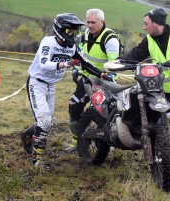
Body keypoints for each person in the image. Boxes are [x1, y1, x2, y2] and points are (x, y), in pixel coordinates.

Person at [115, 8, 170, 168]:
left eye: (146, 24)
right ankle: (157, 152)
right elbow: (137, 53)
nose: (144, 27)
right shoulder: (149, 40)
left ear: (156, 23)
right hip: (161, 89)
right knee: (155, 121)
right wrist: (119, 61)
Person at [20, 13, 113, 167]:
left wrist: (101, 74)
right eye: (70, 31)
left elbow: (84, 63)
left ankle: (28, 134)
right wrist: (66, 64)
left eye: (75, 31)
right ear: (60, 30)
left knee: (48, 123)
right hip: (37, 83)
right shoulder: (48, 42)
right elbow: (44, 64)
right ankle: (37, 162)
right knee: (44, 121)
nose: (72, 34)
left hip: (51, 85)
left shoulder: (71, 47)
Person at [67, 8, 120, 151]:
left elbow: (114, 65)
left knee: (99, 113)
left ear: (102, 22)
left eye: (93, 22)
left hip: (103, 81)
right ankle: (77, 139)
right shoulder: (86, 34)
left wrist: (107, 81)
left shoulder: (110, 39)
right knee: (74, 106)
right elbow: (81, 55)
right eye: (88, 22)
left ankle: (107, 142)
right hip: (86, 78)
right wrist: (76, 70)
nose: (89, 25)